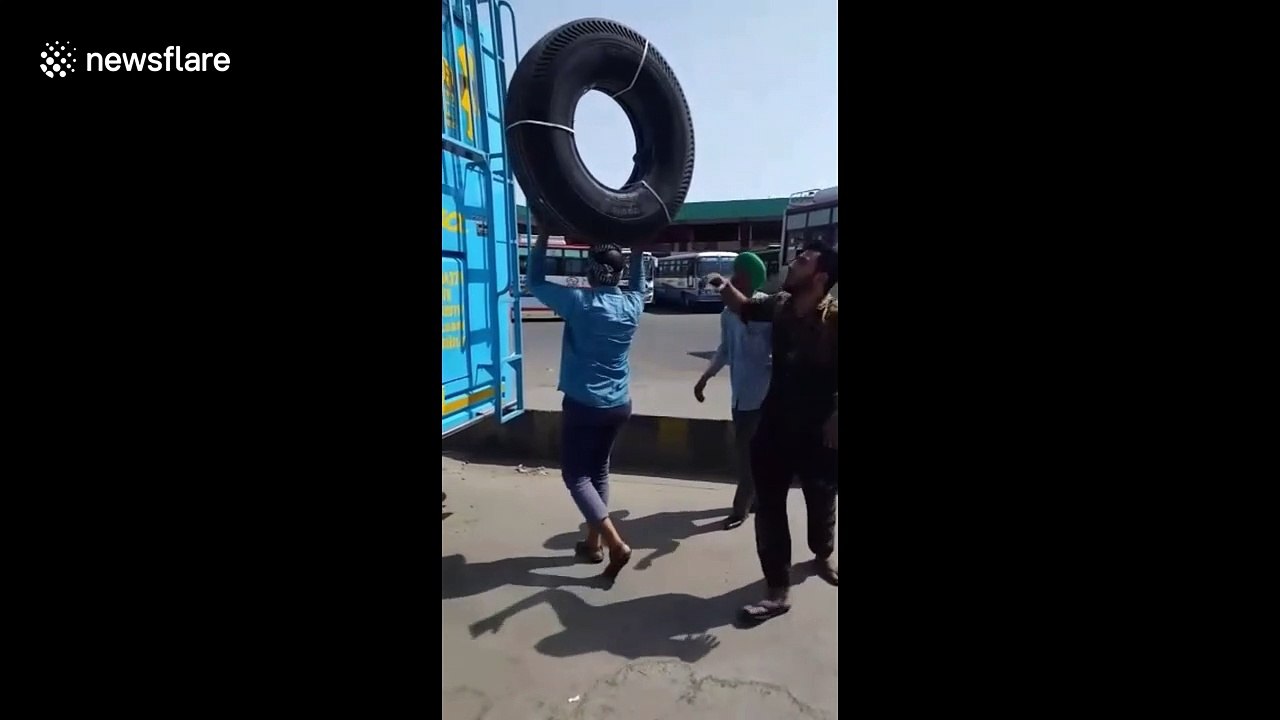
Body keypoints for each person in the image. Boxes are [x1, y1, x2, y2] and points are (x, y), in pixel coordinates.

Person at [710, 239, 839, 622]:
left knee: (821, 502)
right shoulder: (780, 306)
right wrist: (722, 285)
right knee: (768, 507)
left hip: (820, 432)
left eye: (802, 260)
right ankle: (777, 589)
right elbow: (745, 307)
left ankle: (822, 554)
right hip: (774, 425)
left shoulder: (834, 320)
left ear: (820, 276)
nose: (793, 263)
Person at [527, 232, 649, 581]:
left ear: (593, 273)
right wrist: (638, 246)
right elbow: (638, 284)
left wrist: (544, 235)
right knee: (598, 472)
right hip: (619, 405)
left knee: (576, 475)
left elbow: (535, 280)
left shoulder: (580, 303)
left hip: (584, 404)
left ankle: (615, 544)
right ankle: (592, 544)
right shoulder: (632, 304)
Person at [693, 251, 773, 530]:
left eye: (737, 275)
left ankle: (740, 510)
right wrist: (705, 377)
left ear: (750, 278)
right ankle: (761, 498)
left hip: (760, 394)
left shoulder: (765, 308)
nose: (733, 280)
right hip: (739, 393)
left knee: (746, 453)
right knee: (751, 451)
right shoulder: (727, 314)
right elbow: (725, 349)